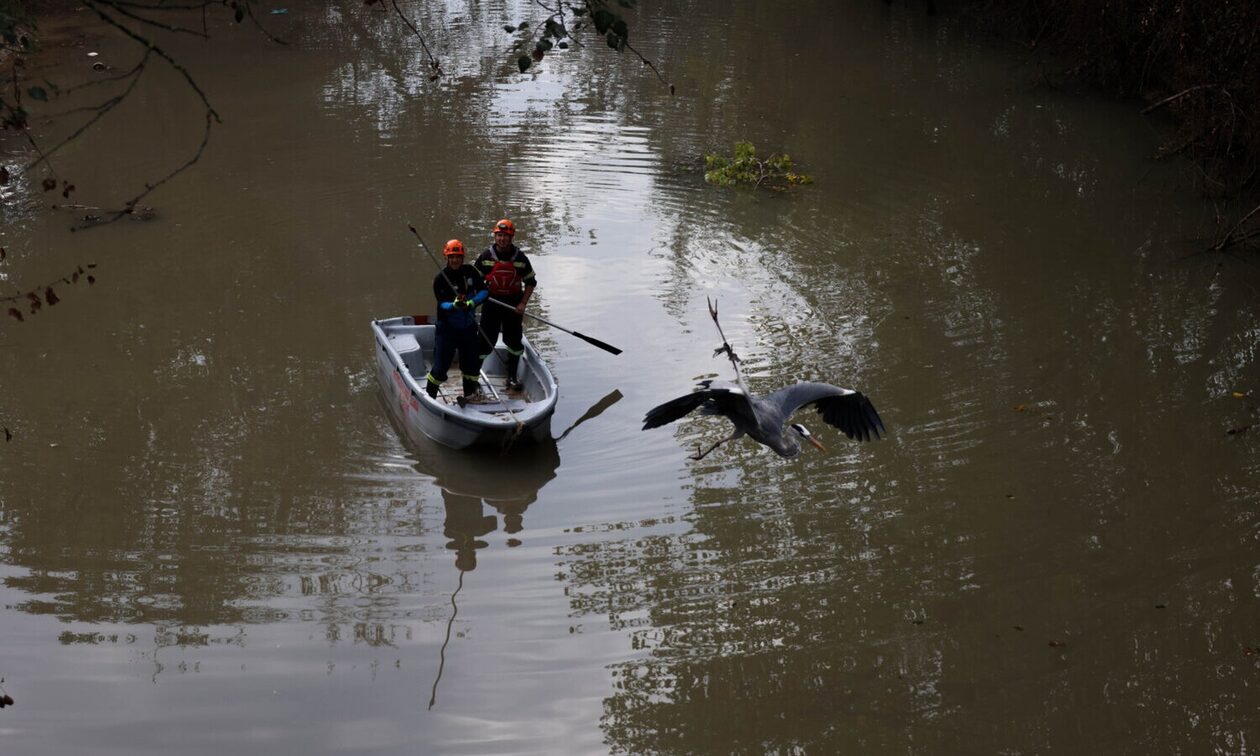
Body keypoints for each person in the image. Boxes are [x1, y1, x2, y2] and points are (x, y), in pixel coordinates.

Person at [474, 219, 537, 391]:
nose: (502, 239)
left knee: (515, 343)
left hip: (513, 307)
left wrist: (523, 303)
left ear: (511, 238)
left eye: (505, 236)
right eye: (499, 235)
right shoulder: (485, 258)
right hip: (491, 305)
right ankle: (473, 378)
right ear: (495, 236)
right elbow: (473, 281)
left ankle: (511, 377)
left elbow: (531, 282)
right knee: (484, 343)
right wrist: (474, 301)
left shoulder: (521, 259)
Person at [425, 239, 488, 400]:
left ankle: (469, 396)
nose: (455, 260)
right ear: (446, 257)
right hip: (447, 329)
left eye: (458, 257)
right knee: (439, 369)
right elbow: (442, 304)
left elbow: (484, 292)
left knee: (471, 368)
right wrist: (454, 305)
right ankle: (429, 398)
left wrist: (471, 302)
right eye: (452, 257)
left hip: (468, 328)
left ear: (463, 257)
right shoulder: (441, 278)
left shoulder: (471, 272)